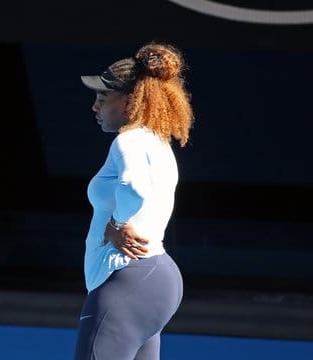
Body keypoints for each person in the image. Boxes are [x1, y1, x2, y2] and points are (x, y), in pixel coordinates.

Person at [74, 41, 193, 360]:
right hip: (156, 279)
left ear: (128, 102)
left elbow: (134, 187)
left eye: (102, 98)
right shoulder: (156, 140)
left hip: (127, 282)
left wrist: (117, 225)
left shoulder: (127, 141)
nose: (94, 107)